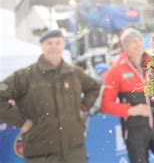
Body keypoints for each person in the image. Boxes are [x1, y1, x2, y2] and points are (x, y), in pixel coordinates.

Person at [0, 29, 100, 162]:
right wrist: (21, 122)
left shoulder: (74, 73)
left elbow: (93, 87)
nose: (53, 47)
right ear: (42, 46)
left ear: (63, 45)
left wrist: (81, 109)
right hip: (41, 153)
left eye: (58, 43)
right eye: (49, 43)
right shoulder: (24, 76)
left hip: (74, 150)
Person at [101, 28, 154, 163]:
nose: (138, 43)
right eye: (133, 41)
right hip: (135, 130)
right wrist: (131, 110)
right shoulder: (116, 70)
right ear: (125, 47)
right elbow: (106, 104)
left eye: (140, 40)